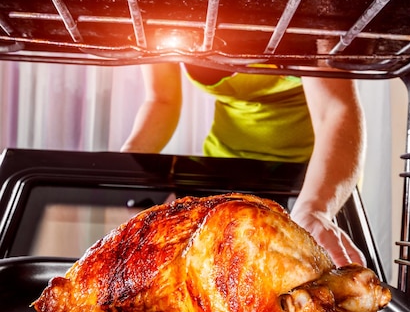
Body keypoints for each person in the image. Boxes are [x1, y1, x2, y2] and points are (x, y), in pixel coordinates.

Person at [121, 63, 366, 267]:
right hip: (221, 167)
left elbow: (335, 109)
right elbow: (161, 100)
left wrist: (314, 209)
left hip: (313, 178)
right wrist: (127, 164)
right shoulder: (165, 13)